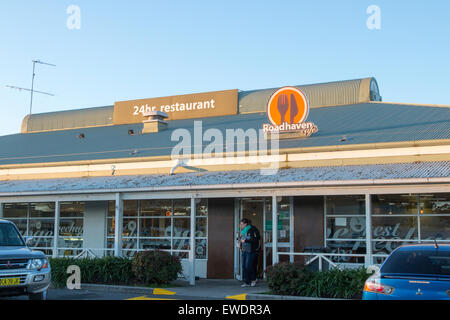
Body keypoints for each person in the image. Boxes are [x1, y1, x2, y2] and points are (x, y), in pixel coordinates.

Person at [238, 218, 261, 287]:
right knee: (244, 266)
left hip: (251, 251)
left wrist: (246, 241)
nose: (240, 226)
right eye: (240, 224)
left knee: (249, 266)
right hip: (244, 250)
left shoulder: (252, 230)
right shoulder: (242, 231)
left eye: (241, 224)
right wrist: (239, 243)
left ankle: (253, 280)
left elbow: (256, 239)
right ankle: (246, 282)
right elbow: (241, 239)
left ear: (245, 224)